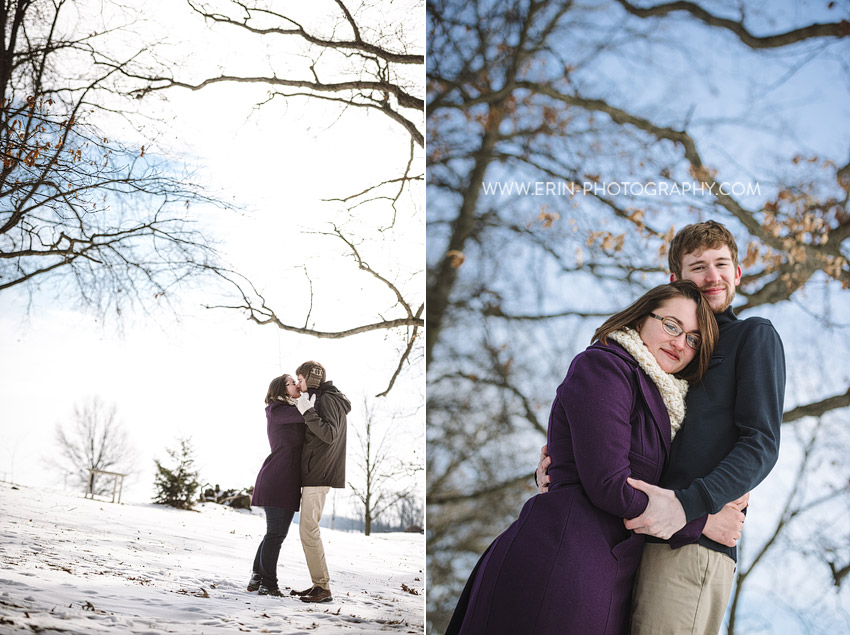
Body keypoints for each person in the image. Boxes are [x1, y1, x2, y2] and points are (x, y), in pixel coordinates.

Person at [537, 220, 786, 635]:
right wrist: (564, 462)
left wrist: (694, 506)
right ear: (677, 281)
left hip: (691, 545)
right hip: (631, 539)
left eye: (722, 264)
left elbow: (761, 442)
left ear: (738, 274)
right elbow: (615, 428)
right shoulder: (671, 355)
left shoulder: (752, 336)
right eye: (698, 267)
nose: (712, 277)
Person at [446, 280, 718, 635]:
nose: (680, 342)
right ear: (640, 320)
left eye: (693, 339)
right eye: (672, 325)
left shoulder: (671, 403)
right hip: (560, 565)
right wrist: (701, 523)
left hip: (602, 574)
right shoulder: (606, 367)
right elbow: (608, 483)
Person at [289, 360, 351, 604]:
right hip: (316, 472)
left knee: (308, 529)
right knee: (307, 530)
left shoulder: (326, 400)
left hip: (320, 472)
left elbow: (329, 434)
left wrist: (306, 411)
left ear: (312, 379)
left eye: (301, 380)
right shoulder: (321, 398)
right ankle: (319, 585)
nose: (298, 385)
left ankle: (323, 588)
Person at [248, 374, 306, 597]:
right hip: (277, 479)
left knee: (274, 534)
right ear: (282, 390)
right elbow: (305, 412)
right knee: (275, 535)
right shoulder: (277, 409)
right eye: (293, 383)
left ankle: (257, 576)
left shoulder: (288, 409)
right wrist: (311, 394)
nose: (297, 386)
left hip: (288, 481)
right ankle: (269, 584)